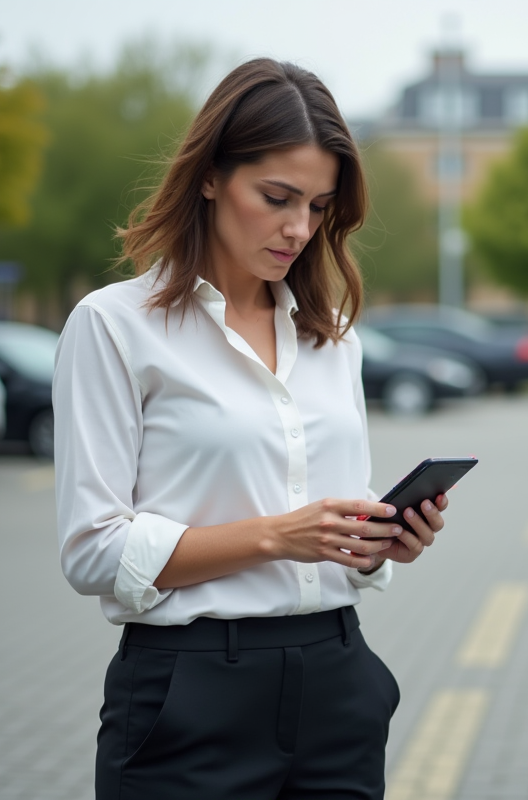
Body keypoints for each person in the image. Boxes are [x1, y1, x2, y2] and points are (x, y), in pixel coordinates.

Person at [53, 58, 449, 800]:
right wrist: (276, 535)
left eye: (320, 207)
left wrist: (379, 541)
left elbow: (330, 515)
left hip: (339, 683)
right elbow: (92, 551)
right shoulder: (113, 327)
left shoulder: (334, 337)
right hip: (189, 695)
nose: (299, 228)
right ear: (210, 176)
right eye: (277, 197)